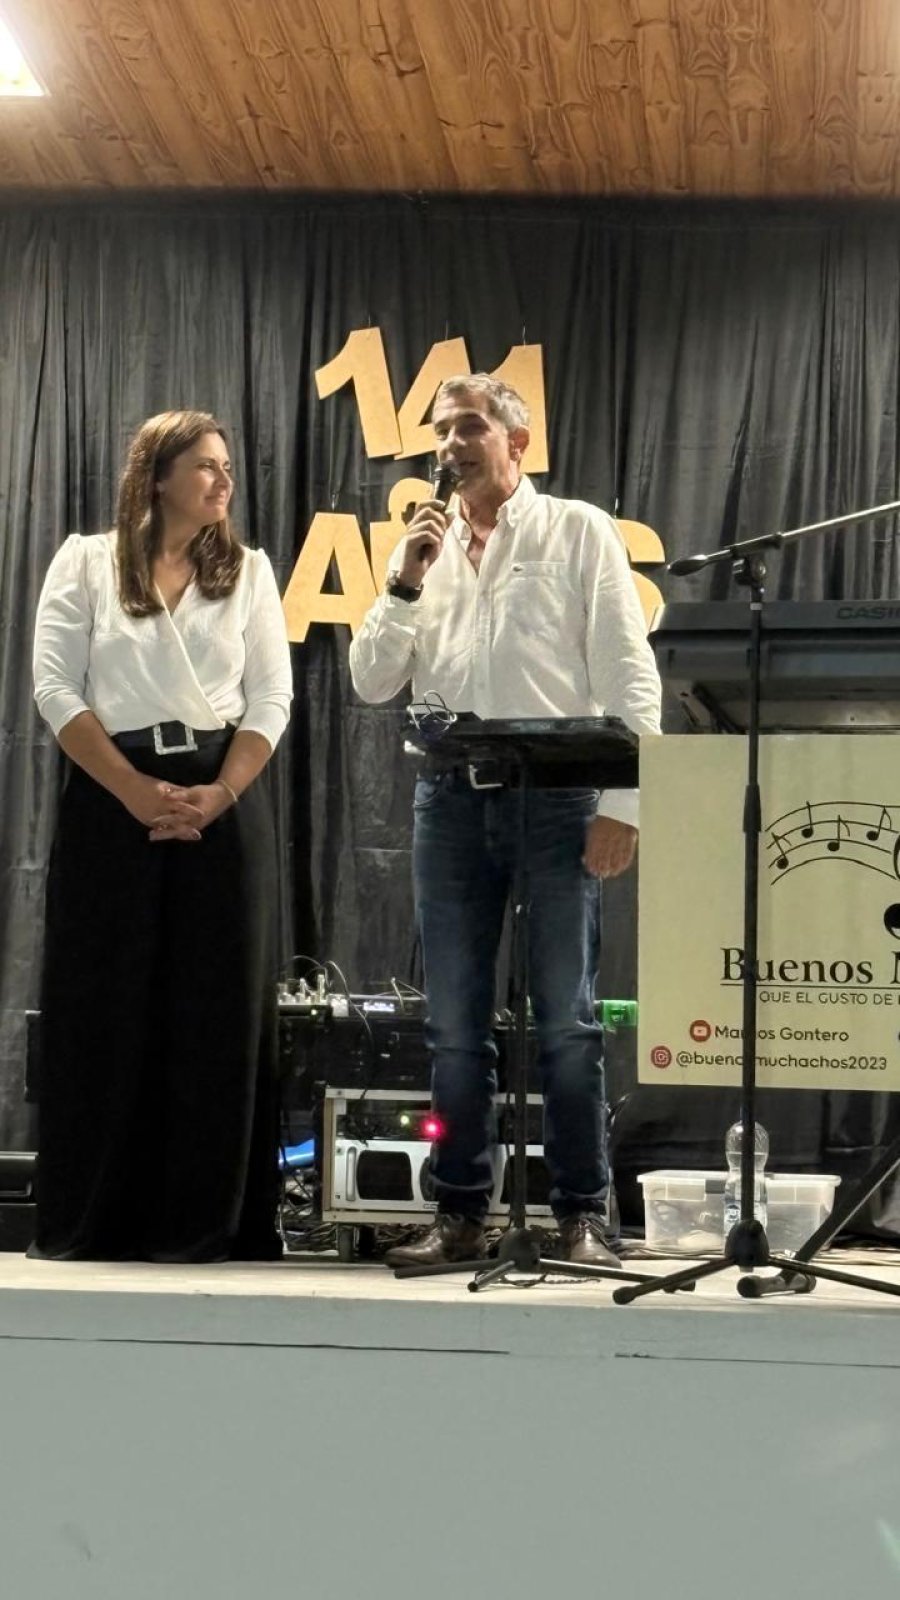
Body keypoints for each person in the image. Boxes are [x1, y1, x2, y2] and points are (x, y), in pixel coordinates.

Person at [349, 374, 662, 1268]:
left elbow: (627, 669)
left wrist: (626, 802)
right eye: (441, 431)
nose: (450, 445)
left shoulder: (574, 530)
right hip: (448, 798)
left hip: (560, 796)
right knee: (454, 1023)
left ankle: (582, 1214)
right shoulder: (423, 547)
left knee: (566, 1020)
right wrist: (404, 580)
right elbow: (373, 681)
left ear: (517, 443)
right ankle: (459, 1216)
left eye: (470, 428)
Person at [31, 410, 293, 1262]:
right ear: (157, 476)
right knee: (106, 1000)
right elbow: (55, 690)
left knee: (216, 1012)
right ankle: (97, 1219)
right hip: (115, 798)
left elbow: (271, 700)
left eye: (227, 468)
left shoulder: (248, 572)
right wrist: (138, 792)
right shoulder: (84, 562)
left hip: (223, 801)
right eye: (207, 467)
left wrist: (218, 794)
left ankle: (207, 1223)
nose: (223, 482)